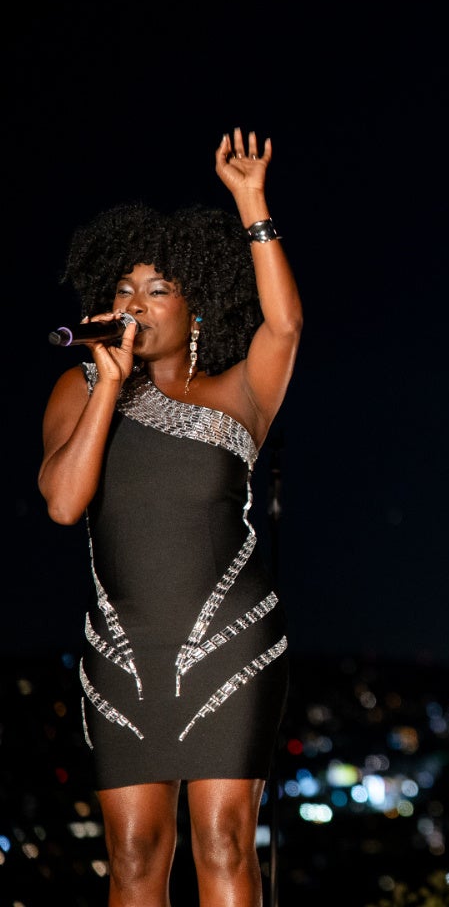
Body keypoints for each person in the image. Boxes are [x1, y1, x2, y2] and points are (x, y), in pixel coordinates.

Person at [39, 128, 301, 905]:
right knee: (133, 854)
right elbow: (63, 503)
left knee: (223, 842)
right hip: (121, 650)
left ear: (195, 307)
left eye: (157, 289)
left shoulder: (239, 392)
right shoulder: (79, 389)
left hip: (230, 642)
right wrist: (107, 387)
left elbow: (284, 327)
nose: (135, 304)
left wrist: (251, 201)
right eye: (125, 289)